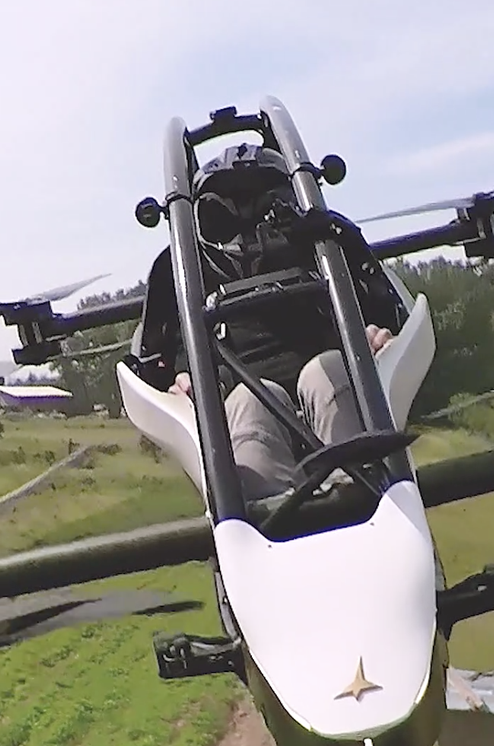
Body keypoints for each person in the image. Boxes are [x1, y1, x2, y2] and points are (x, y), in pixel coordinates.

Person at [163, 143, 396, 500]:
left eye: (266, 207)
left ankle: (361, 496)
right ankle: (271, 520)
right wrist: (179, 384)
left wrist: (379, 336)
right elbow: (164, 360)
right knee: (253, 399)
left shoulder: (324, 247)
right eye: (223, 213)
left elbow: (381, 312)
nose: (247, 226)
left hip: (327, 382)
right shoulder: (183, 275)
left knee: (326, 371)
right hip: (243, 397)